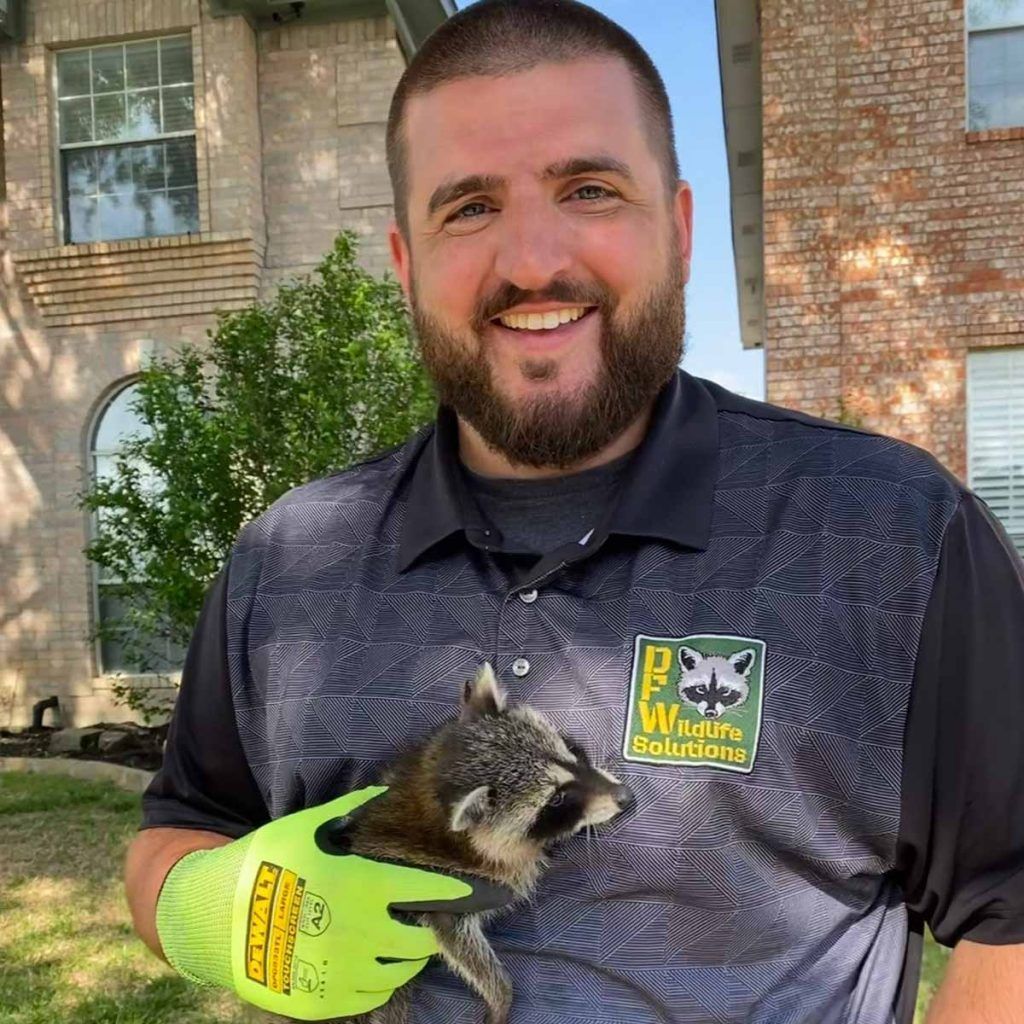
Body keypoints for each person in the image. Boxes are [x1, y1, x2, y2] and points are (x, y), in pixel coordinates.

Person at [126, 1, 1024, 1021]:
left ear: (677, 228)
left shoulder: (893, 536)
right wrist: (208, 906)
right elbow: (179, 828)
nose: (530, 261)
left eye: (588, 189)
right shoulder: (283, 563)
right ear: (405, 262)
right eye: (467, 207)